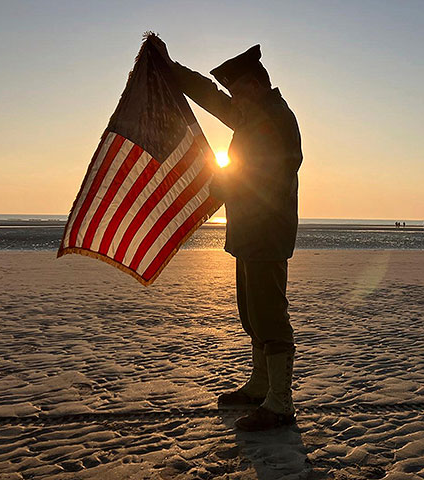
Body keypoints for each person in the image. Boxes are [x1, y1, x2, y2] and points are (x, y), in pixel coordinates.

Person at [153, 40, 302, 431]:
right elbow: (210, 96)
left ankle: (280, 403)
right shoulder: (252, 114)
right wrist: (170, 66)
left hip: (268, 233)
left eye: (238, 89)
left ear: (253, 86)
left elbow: (269, 174)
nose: (233, 97)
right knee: (252, 315)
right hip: (249, 231)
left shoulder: (277, 120)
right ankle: (260, 386)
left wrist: (223, 184)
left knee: (269, 315)